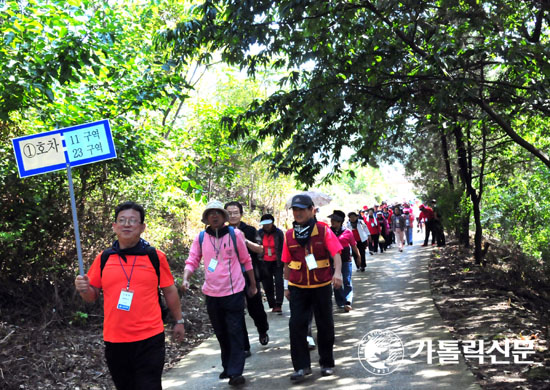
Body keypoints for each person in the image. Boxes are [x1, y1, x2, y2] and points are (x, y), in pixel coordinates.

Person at [74, 201, 185, 390]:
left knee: (148, 385)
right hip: (115, 339)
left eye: (132, 221)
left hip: (150, 337)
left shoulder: (155, 256)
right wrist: (84, 289)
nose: (127, 224)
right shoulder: (104, 258)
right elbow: (92, 296)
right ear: (114, 226)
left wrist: (179, 320)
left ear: (142, 227)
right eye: (122, 220)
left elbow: (169, 290)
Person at [182, 200, 257, 386]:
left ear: (223, 217)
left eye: (217, 212)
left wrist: (253, 285)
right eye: (210, 213)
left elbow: (246, 260)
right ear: (206, 218)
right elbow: (192, 259)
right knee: (221, 333)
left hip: (234, 292)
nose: (214, 216)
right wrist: (186, 278)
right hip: (212, 294)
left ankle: (235, 372)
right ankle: (228, 367)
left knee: (235, 332)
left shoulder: (235, 234)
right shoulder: (201, 238)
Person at [282, 194, 343, 382]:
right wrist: (286, 285)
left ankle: (326, 363)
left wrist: (338, 273)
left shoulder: (323, 230)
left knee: (325, 324)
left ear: (311, 210)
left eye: (302, 209)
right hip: (298, 286)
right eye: (295, 210)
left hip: (322, 284)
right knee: (296, 326)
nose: (298, 213)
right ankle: (301, 367)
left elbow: (336, 253)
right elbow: (285, 262)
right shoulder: (289, 234)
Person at [224, 201, 269, 355]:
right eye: (229, 213)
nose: (232, 215)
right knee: (236, 311)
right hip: (231, 278)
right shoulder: (221, 232)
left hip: (250, 275)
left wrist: (244, 240)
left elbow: (260, 249)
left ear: (241, 214)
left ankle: (262, 330)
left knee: (255, 308)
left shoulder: (249, 230)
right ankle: (244, 346)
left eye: (235, 212)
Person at [329, 210, 359, 312]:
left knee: (347, 281)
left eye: (335, 220)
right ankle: (340, 301)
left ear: (340, 222)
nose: (332, 222)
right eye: (332, 220)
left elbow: (354, 246)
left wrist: (358, 256)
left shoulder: (347, 232)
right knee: (336, 282)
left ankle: (348, 302)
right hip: (333, 261)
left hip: (346, 260)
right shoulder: (328, 232)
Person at [258, 213, 285, 313]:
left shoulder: (278, 233)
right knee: (267, 283)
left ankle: (278, 304)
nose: (266, 226)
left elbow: (283, 247)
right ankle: (272, 304)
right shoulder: (259, 233)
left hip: (277, 262)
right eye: (264, 224)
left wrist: (284, 261)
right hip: (264, 262)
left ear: (272, 223)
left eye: (268, 224)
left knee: (278, 282)